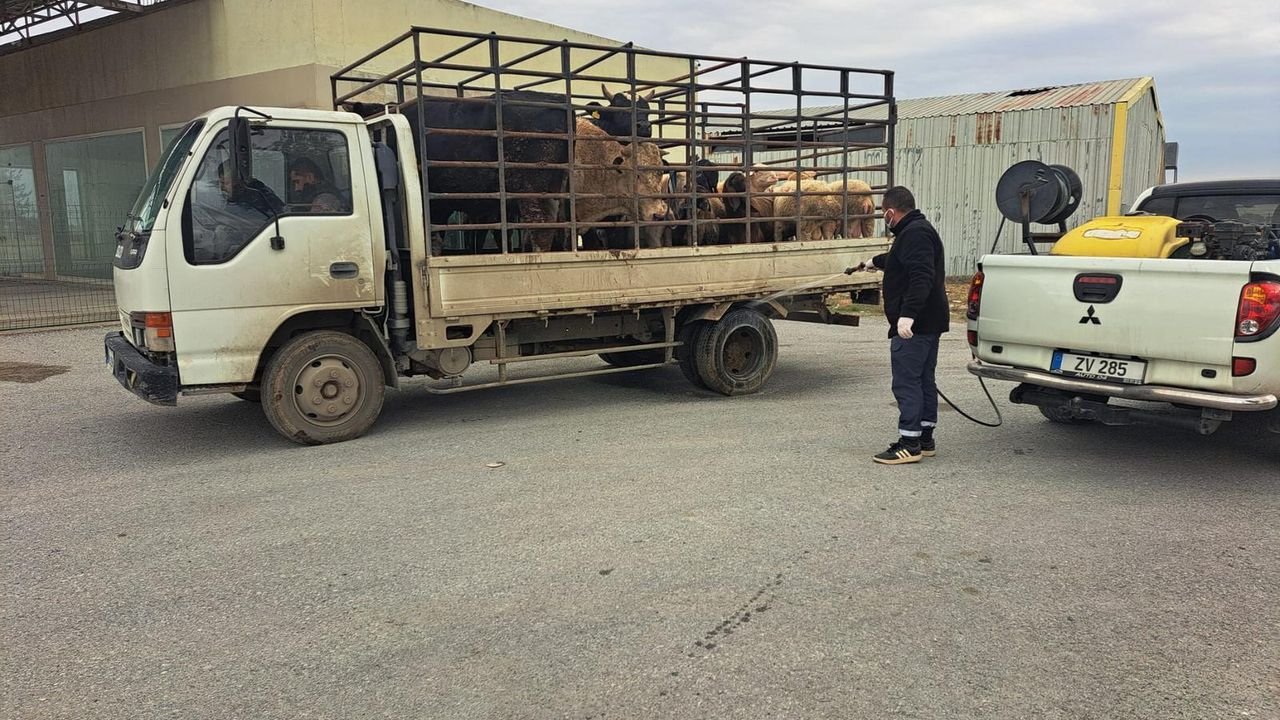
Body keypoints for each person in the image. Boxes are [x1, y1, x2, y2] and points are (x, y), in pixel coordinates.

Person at [854, 186, 950, 465]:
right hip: (929, 321)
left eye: (885, 214)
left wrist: (907, 315)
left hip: (915, 325)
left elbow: (921, 275)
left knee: (907, 383)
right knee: (923, 380)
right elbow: (902, 260)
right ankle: (924, 439)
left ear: (890, 212)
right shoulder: (915, 231)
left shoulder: (915, 234)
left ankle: (909, 444)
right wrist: (874, 262)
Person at [190, 160, 284, 264]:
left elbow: (256, 225)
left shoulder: (257, 197)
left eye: (225, 183)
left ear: (237, 181)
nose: (222, 188)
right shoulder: (238, 197)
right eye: (220, 183)